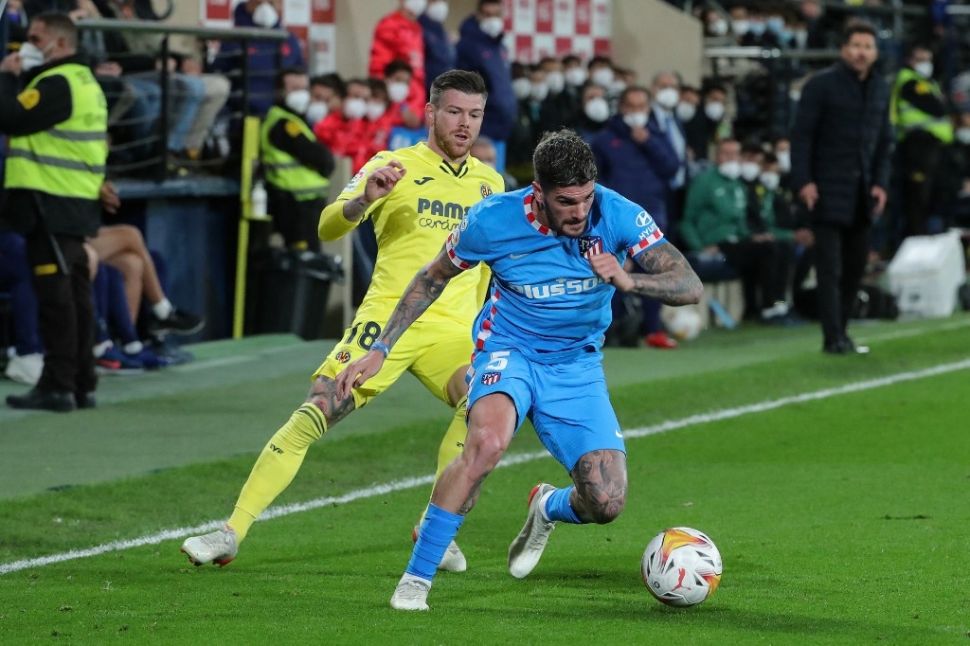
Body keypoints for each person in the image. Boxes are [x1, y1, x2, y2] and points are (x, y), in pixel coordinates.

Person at [335, 130, 702, 611]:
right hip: (509, 351)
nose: (579, 211)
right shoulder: (493, 220)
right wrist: (382, 346)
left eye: (586, 198)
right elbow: (431, 278)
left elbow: (689, 284)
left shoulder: (618, 214)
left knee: (607, 503)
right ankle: (416, 578)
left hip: (576, 363)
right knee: (486, 444)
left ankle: (546, 506)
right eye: (566, 201)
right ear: (539, 194)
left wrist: (627, 278)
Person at [180, 70, 505, 572]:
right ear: (431, 113)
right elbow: (328, 223)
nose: (465, 125)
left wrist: (482, 329)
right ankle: (231, 531)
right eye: (456, 112)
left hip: (451, 333)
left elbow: (486, 267)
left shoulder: (491, 182)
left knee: (485, 404)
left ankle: (433, 525)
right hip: (386, 326)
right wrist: (364, 198)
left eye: (475, 115)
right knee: (318, 409)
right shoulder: (391, 165)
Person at [1, 12, 107, 412]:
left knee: (56, 300)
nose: (25, 44)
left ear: (59, 44)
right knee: (77, 296)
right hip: (73, 201)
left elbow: (10, 117)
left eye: (34, 37)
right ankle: (81, 383)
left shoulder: (57, 82)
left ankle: (58, 385)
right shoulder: (86, 82)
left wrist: (5, 76)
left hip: (51, 202)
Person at [790, 21, 892, 354]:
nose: (862, 52)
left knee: (855, 268)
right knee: (829, 269)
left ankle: (843, 331)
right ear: (843, 49)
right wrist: (804, 180)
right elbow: (802, 136)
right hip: (826, 189)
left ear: (876, 53)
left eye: (868, 46)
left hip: (863, 194)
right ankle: (832, 337)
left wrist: (880, 183)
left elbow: (883, 141)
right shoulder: (821, 86)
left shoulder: (880, 87)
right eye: (857, 45)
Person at [591, 86, 680, 348]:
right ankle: (610, 331)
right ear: (621, 108)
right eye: (632, 107)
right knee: (613, 272)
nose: (637, 113)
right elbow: (595, 178)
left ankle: (653, 329)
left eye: (642, 107)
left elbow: (672, 168)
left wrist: (649, 142)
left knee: (653, 273)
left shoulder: (657, 135)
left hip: (652, 216)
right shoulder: (605, 139)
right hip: (615, 219)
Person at [681, 139, 791, 322]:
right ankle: (769, 308)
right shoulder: (705, 182)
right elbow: (687, 221)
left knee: (776, 245)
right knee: (767, 250)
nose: (732, 158)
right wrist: (700, 247)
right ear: (717, 156)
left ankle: (775, 306)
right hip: (716, 244)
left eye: (735, 154)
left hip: (737, 243)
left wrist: (753, 236)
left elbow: (740, 224)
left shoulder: (738, 185)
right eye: (727, 154)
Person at [260, 68, 335, 250]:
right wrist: (326, 161)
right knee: (302, 258)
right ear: (280, 91)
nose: (301, 94)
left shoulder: (296, 120)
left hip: (305, 203)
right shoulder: (284, 123)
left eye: (304, 89)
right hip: (294, 203)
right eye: (294, 88)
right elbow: (320, 158)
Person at [890, 44, 952, 239]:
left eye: (928, 59)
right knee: (917, 198)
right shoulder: (910, 81)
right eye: (921, 59)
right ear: (910, 60)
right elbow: (938, 107)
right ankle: (915, 241)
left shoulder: (926, 81)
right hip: (917, 145)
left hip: (931, 146)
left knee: (931, 196)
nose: (926, 64)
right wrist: (942, 102)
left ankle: (928, 239)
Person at [455, 0, 516, 144]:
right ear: (478, 16)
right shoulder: (467, 46)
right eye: (488, 15)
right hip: (482, 127)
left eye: (496, 14)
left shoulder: (500, 46)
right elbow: (464, 89)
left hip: (502, 127)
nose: (493, 20)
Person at [369, 0, 427, 119]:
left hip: (417, 101)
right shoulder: (389, 24)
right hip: (396, 103)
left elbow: (418, 69)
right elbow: (379, 68)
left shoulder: (417, 28)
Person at [419, 0, 455, 97]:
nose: (441, 4)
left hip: (442, 94)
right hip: (426, 94)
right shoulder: (419, 27)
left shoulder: (442, 31)